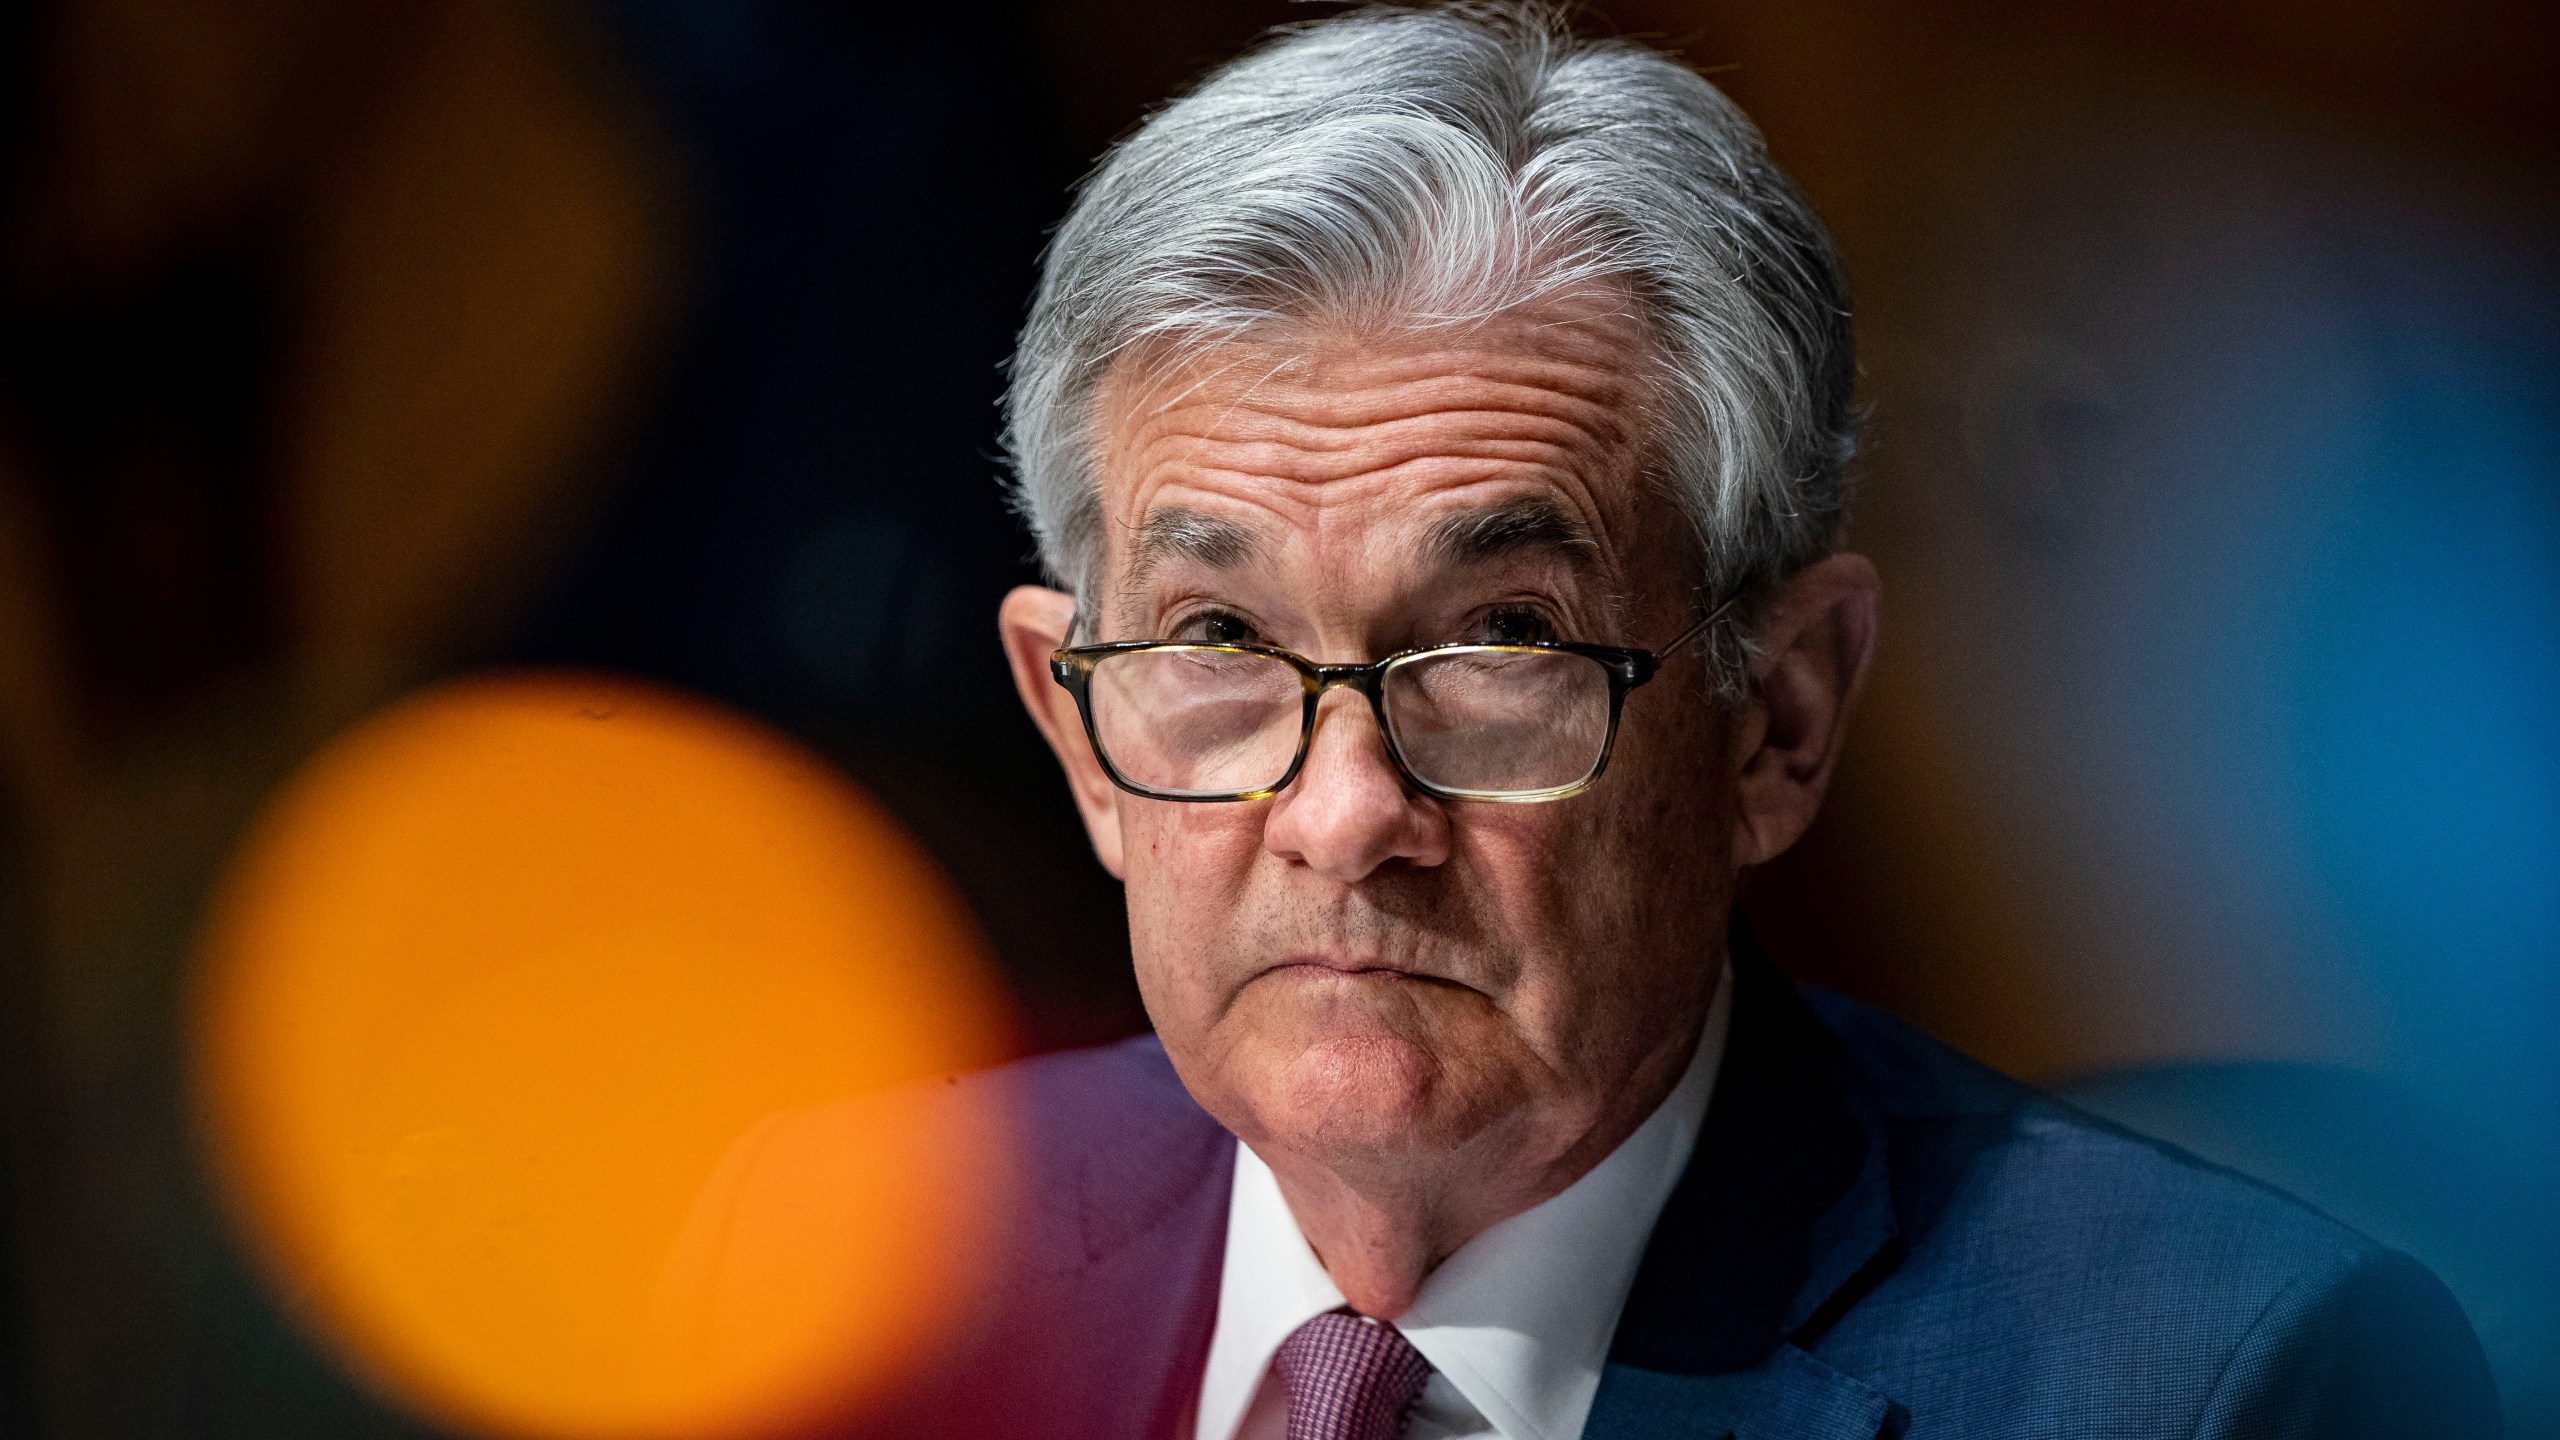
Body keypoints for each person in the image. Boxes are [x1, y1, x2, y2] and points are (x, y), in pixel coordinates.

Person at [706, 5, 2500, 1435]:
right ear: (1074, 721)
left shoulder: (2222, 1385)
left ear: (1777, 720)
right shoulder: (834, 1275)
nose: (1344, 814)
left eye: (1498, 640)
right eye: (1220, 638)